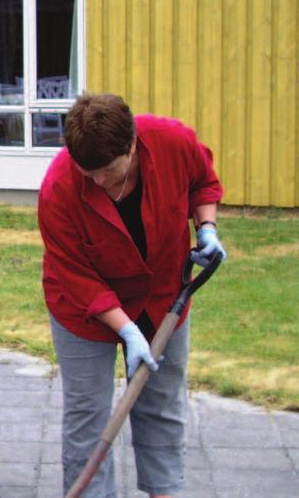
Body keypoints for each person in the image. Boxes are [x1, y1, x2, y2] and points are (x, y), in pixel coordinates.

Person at [37, 93, 226, 497]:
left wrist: (206, 227)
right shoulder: (59, 188)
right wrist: (126, 329)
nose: (99, 182)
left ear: (133, 144)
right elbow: (74, 274)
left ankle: (165, 490)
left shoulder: (172, 142)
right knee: (88, 413)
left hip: (162, 297)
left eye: (108, 171)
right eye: (89, 174)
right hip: (83, 311)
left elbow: (202, 181)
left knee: (162, 402)